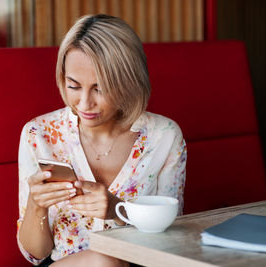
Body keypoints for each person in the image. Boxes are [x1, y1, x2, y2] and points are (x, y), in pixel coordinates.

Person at [17, 14, 187, 266]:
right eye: (74, 86)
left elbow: (172, 239)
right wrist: (37, 205)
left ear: (128, 83)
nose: (85, 103)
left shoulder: (164, 136)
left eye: (101, 88)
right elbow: (36, 254)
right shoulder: (39, 134)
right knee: (104, 261)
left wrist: (118, 209)